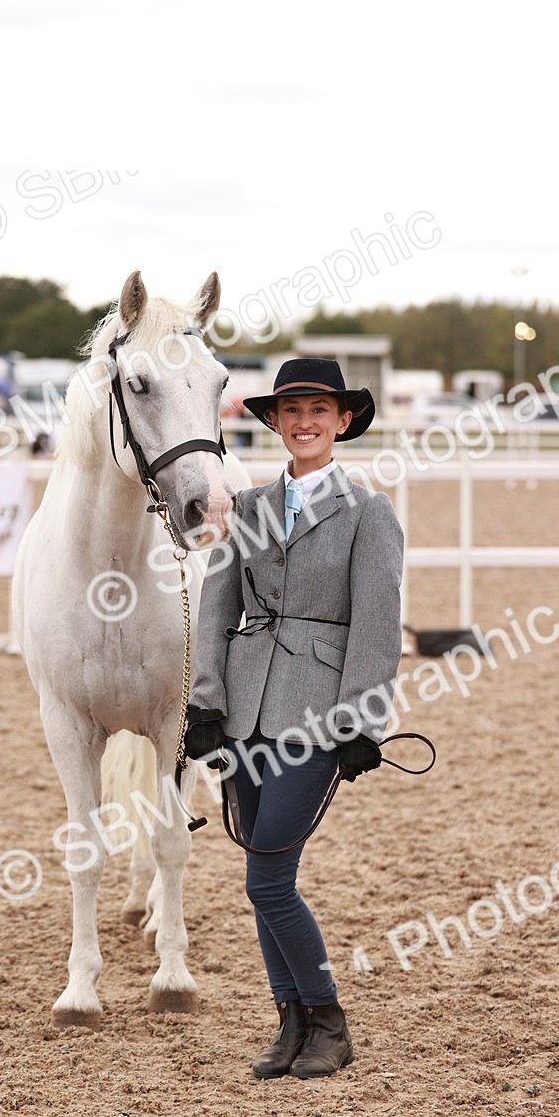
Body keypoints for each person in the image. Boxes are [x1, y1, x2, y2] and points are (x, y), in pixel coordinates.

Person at [184, 357, 405, 1080]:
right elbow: (218, 607)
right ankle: (292, 1024)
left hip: (317, 714)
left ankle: (329, 1020)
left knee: (268, 880)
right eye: (291, 412)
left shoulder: (368, 513)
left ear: (343, 421)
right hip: (245, 709)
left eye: (318, 411)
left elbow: (377, 623)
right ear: (276, 422)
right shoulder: (246, 508)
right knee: (262, 873)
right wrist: (205, 704)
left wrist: (364, 721)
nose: (304, 423)